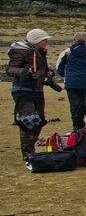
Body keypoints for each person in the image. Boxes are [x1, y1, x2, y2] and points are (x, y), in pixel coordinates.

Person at [6, 29, 54, 160]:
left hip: (37, 90)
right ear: (36, 41)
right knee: (28, 121)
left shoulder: (40, 52)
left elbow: (40, 68)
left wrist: (48, 72)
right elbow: (10, 70)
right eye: (44, 40)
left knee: (39, 120)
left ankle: (31, 149)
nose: (46, 42)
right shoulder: (20, 51)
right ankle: (28, 154)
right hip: (23, 90)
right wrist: (25, 72)